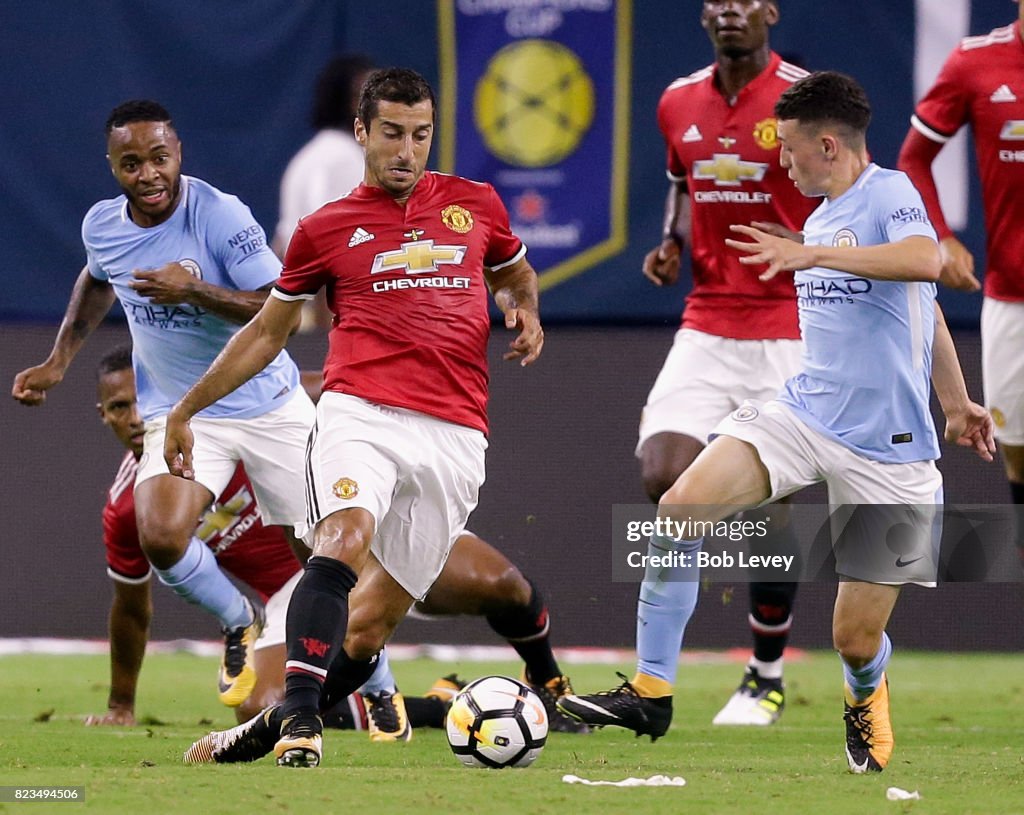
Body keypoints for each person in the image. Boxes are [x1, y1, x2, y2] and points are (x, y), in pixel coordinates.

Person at [561, 71, 994, 773]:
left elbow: (928, 264)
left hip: (890, 449)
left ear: (828, 145)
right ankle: (651, 690)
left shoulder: (887, 195)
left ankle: (864, 691)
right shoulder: (821, 216)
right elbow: (924, 307)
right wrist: (957, 398)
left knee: (853, 638)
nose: (782, 164)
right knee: (680, 506)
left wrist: (944, 401)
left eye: (790, 151)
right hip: (805, 411)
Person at [165, 66, 544, 768]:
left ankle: (267, 727)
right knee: (342, 535)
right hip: (358, 409)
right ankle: (303, 724)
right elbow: (267, 333)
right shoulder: (325, 229)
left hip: (455, 430)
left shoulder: (476, 204)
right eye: (392, 133)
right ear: (363, 133)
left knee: (368, 628)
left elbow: (514, 271)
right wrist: (189, 406)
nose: (406, 150)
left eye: (421, 135)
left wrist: (525, 307)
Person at [90, 347, 584, 740]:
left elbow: (346, 387)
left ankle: (550, 684)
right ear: (103, 416)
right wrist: (120, 705)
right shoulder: (134, 507)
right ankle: (443, 706)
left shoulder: (247, 409)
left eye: (144, 398)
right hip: (293, 589)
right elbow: (131, 608)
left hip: (370, 540)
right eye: (119, 407)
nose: (136, 417)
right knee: (260, 705)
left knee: (502, 584)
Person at [11, 99, 316, 711]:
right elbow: (98, 278)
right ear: (112, 166)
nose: (148, 174)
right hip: (184, 412)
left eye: (159, 158)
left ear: (179, 153)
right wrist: (59, 361)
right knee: (162, 534)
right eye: (131, 164)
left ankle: (369, 676)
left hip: (269, 404)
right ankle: (239, 620)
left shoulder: (221, 215)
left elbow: (284, 307)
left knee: (320, 552)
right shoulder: (103, 225)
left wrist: (194, 289)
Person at [594, 0, 819, 734]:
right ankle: (661, 673)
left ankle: (766, 672)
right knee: (663, 474)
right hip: (708, 322)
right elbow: (684, 185)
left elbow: (842, 192)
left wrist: (814, 244)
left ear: (771, 13)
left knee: (770, 506)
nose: (732, 10)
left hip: (789, 324)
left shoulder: (804, 97)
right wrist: (670, 242)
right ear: (703, 16)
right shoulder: (677, 100)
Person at [897, 1, 1024, 550]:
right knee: (1016, 454)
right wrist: (940, 237)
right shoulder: (976, 62)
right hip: (1011, 298)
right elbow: (914, 158)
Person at [273, 53, 376, 331]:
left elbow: (283, 243)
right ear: (340, 99)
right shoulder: (342, 159)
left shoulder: (313, 154)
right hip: (329, 320)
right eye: (362, 95)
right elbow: (324, 247)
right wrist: (327, 333)